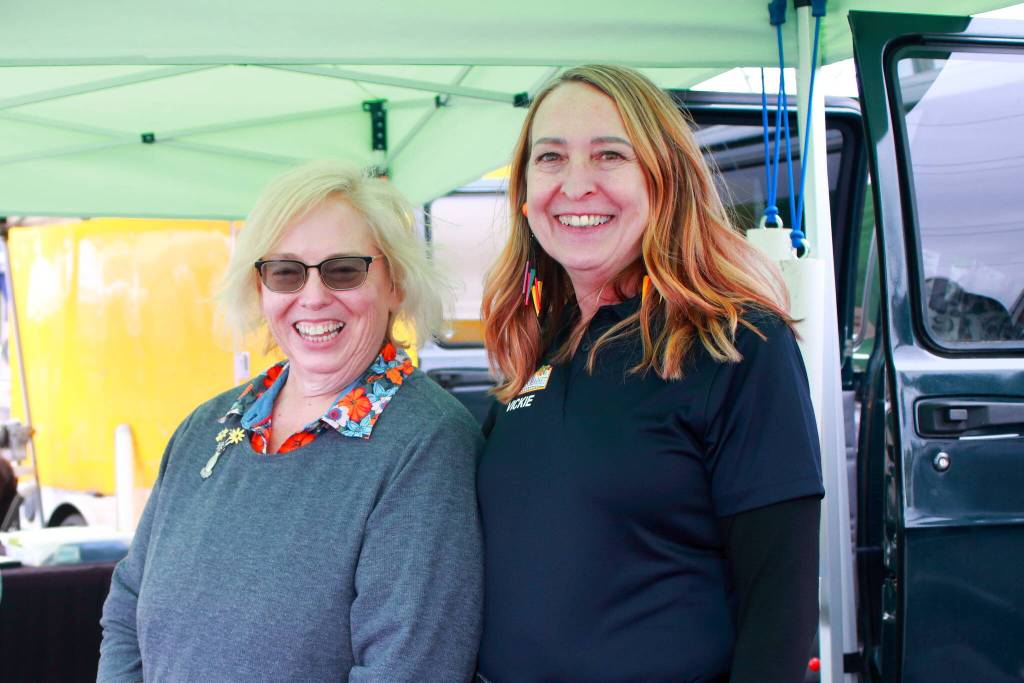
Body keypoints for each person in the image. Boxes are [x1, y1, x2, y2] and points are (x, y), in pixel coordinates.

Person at [477, 65, 824, 683]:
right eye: (550, 157)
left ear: (664, 180)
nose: (576, 184)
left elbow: (779, 609)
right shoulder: (538, 345)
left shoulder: (737, 343)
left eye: (610, 155)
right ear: (525, 193)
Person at [98, 161, 484, 682]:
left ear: (395, 283)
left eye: (344, 269)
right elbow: (126, 609)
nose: (314, 295)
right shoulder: (206, 428)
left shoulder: (426, 442)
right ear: (260, 288)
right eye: (285, 272)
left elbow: (405, 670)